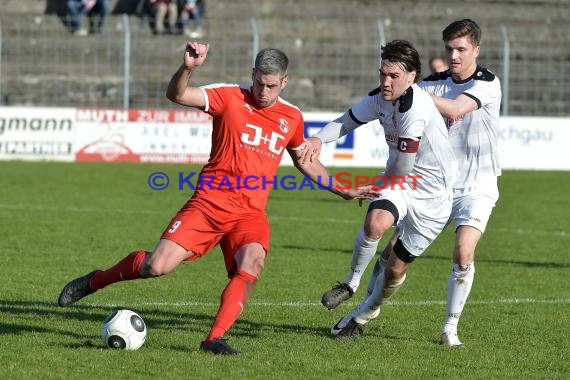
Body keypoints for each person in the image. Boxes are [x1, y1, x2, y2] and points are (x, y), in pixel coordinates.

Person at [57, 42, 377, 355]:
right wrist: (188, 68)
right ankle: (95, 281)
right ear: (251, 74)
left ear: (284, 82)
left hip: (249, 214)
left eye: (271, 86)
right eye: (258, 83)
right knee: (157, 266)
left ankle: (214, 339)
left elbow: (305, 160)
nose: (263, 91)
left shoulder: (291, 117)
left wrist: (343, 189)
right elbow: (178, 94)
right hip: (209, 206)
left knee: (252, 264)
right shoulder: (229, 97)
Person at [319, 19, 502, 347]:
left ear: (476, 49)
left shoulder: (486, 82)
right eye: (449, 49)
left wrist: (414, 92)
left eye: (461, 49)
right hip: (425, 183)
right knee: (390, 255)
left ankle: (450, 328)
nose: (454, 56)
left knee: (463, 253)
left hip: (476, 184)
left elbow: (458, 109)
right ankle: (362, 294)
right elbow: (388, 100)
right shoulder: (431, 84)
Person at [299, 40, 458, 338]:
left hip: (434, 194)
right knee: (375, 223)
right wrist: (318, 139)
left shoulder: (417, 110)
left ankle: (363, 315)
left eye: (393, 76)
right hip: (402, 182)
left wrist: (377, 183)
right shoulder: (381, 98)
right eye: (382, 74)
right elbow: (346, 122)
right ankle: (350, 283)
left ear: (412, 77)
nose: (385, 82)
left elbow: (401, 170)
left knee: (395, 269)